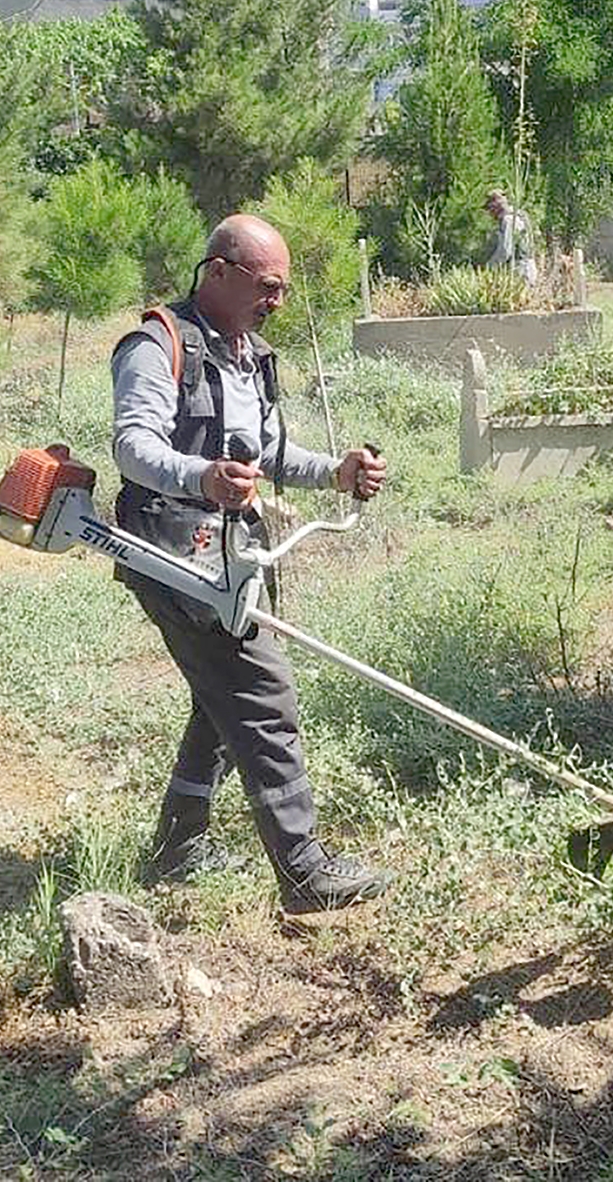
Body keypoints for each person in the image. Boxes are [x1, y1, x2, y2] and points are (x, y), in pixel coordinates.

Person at [109, 213, 392, 913]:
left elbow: (264, 456)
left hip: (234, 546)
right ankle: (303, 874)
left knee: (221, 696)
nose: (277, 303)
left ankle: (178, 846)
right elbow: (132, 446)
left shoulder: (248, 355)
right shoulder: (156, 346)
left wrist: (336, 471)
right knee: (262, 697)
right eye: (267, 287)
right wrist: (200, 478)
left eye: (284, 291)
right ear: (218, 273)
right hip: (175, 546)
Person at [484, 189, 538, 288]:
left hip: (520, 270)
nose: (490, 213)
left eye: (490, 209)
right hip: (527, 267)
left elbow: (505, 251)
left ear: (496, 207)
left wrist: (489, 268)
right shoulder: (518, 215)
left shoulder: (508, 220)